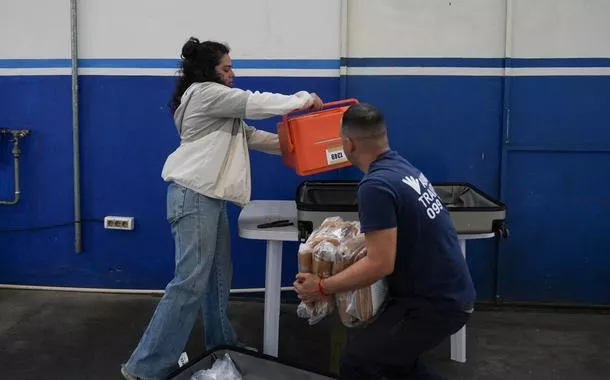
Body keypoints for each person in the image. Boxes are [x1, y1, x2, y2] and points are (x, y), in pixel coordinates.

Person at [121, 37, 323, 380]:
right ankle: (144, 367)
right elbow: (254, 103)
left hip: (207, 199)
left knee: (216, 280)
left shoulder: (219, 107)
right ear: (207, 70)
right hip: (193, 196)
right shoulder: (205, 93)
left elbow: (254, 137)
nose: (232, 73)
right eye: (226, 68)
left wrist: (298, 146)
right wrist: (303, 100)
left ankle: (222, 344)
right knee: (189, 283)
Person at [294, 103, 476, 380]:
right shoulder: (402, 167)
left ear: (348, 143)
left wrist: (322, 287)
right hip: (450, 292)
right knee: (395, 363)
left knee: (358, 362)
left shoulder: (375, 186)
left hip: (434, 303)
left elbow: (380, 263)